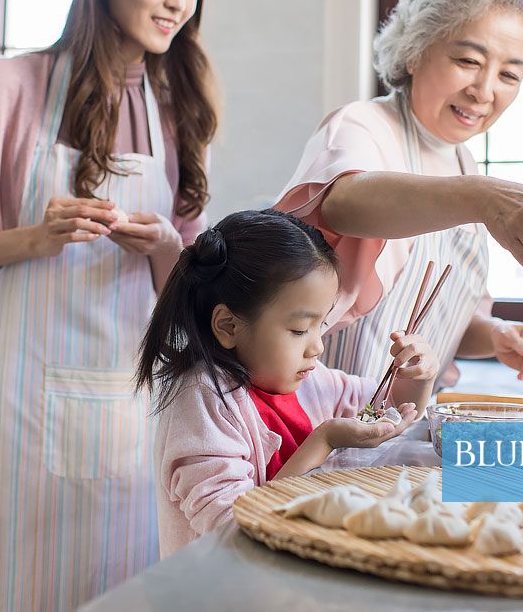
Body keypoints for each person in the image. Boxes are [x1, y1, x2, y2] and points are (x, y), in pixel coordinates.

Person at [0, 0, 218, 611]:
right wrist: (33, 238)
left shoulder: (179, 103)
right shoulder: (5, 84)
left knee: (114, 587)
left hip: (126, 399)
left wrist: (166, 244)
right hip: (11, 400)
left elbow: (190, 285)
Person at [276, 0, 523, 390]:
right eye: (468, 61)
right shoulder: (362, 124)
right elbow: (341, 203)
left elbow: (439, 317)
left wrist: (497, 334)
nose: (484, 91)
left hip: (398, 425)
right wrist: (482, 197)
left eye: (509, 74)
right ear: (415, 52)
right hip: (315, 412)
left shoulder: (463, 162)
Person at [137, 209, 437, 554]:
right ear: (229, 326)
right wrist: (323, 441)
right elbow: (236, 529)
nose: (317, 346)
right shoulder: (202, 401)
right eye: (298, 330)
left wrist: (418, 372)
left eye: (321, 325)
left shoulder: (310, 381)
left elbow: (390, 405)